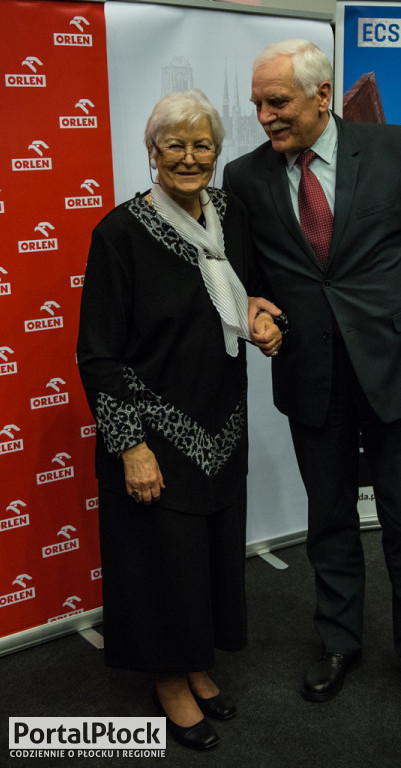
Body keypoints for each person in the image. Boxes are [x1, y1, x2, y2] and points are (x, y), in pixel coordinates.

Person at [224, 39, 401, 709]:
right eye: (257, 104)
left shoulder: (395, 149)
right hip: (312, 375)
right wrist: (252, 308)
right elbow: (245, 278)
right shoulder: (244, 176)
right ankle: (339, 641)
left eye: (277, 102)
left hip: (398, 367)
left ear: (321, 95)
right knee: (329, 520)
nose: (264, 117)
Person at [77, 88, 282, 751]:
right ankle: (167, 679)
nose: (190, 157)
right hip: (153, 431)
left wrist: (262, 319)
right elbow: (98, 354)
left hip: (221, 419)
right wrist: (130, 446)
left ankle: (195, 660)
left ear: (216, 152)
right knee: (159, 562)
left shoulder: (229, 212)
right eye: (176, 145)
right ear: (152, 150)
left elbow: (248, 291)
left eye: (202, 145)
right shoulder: (118, 234)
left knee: (207, 556)